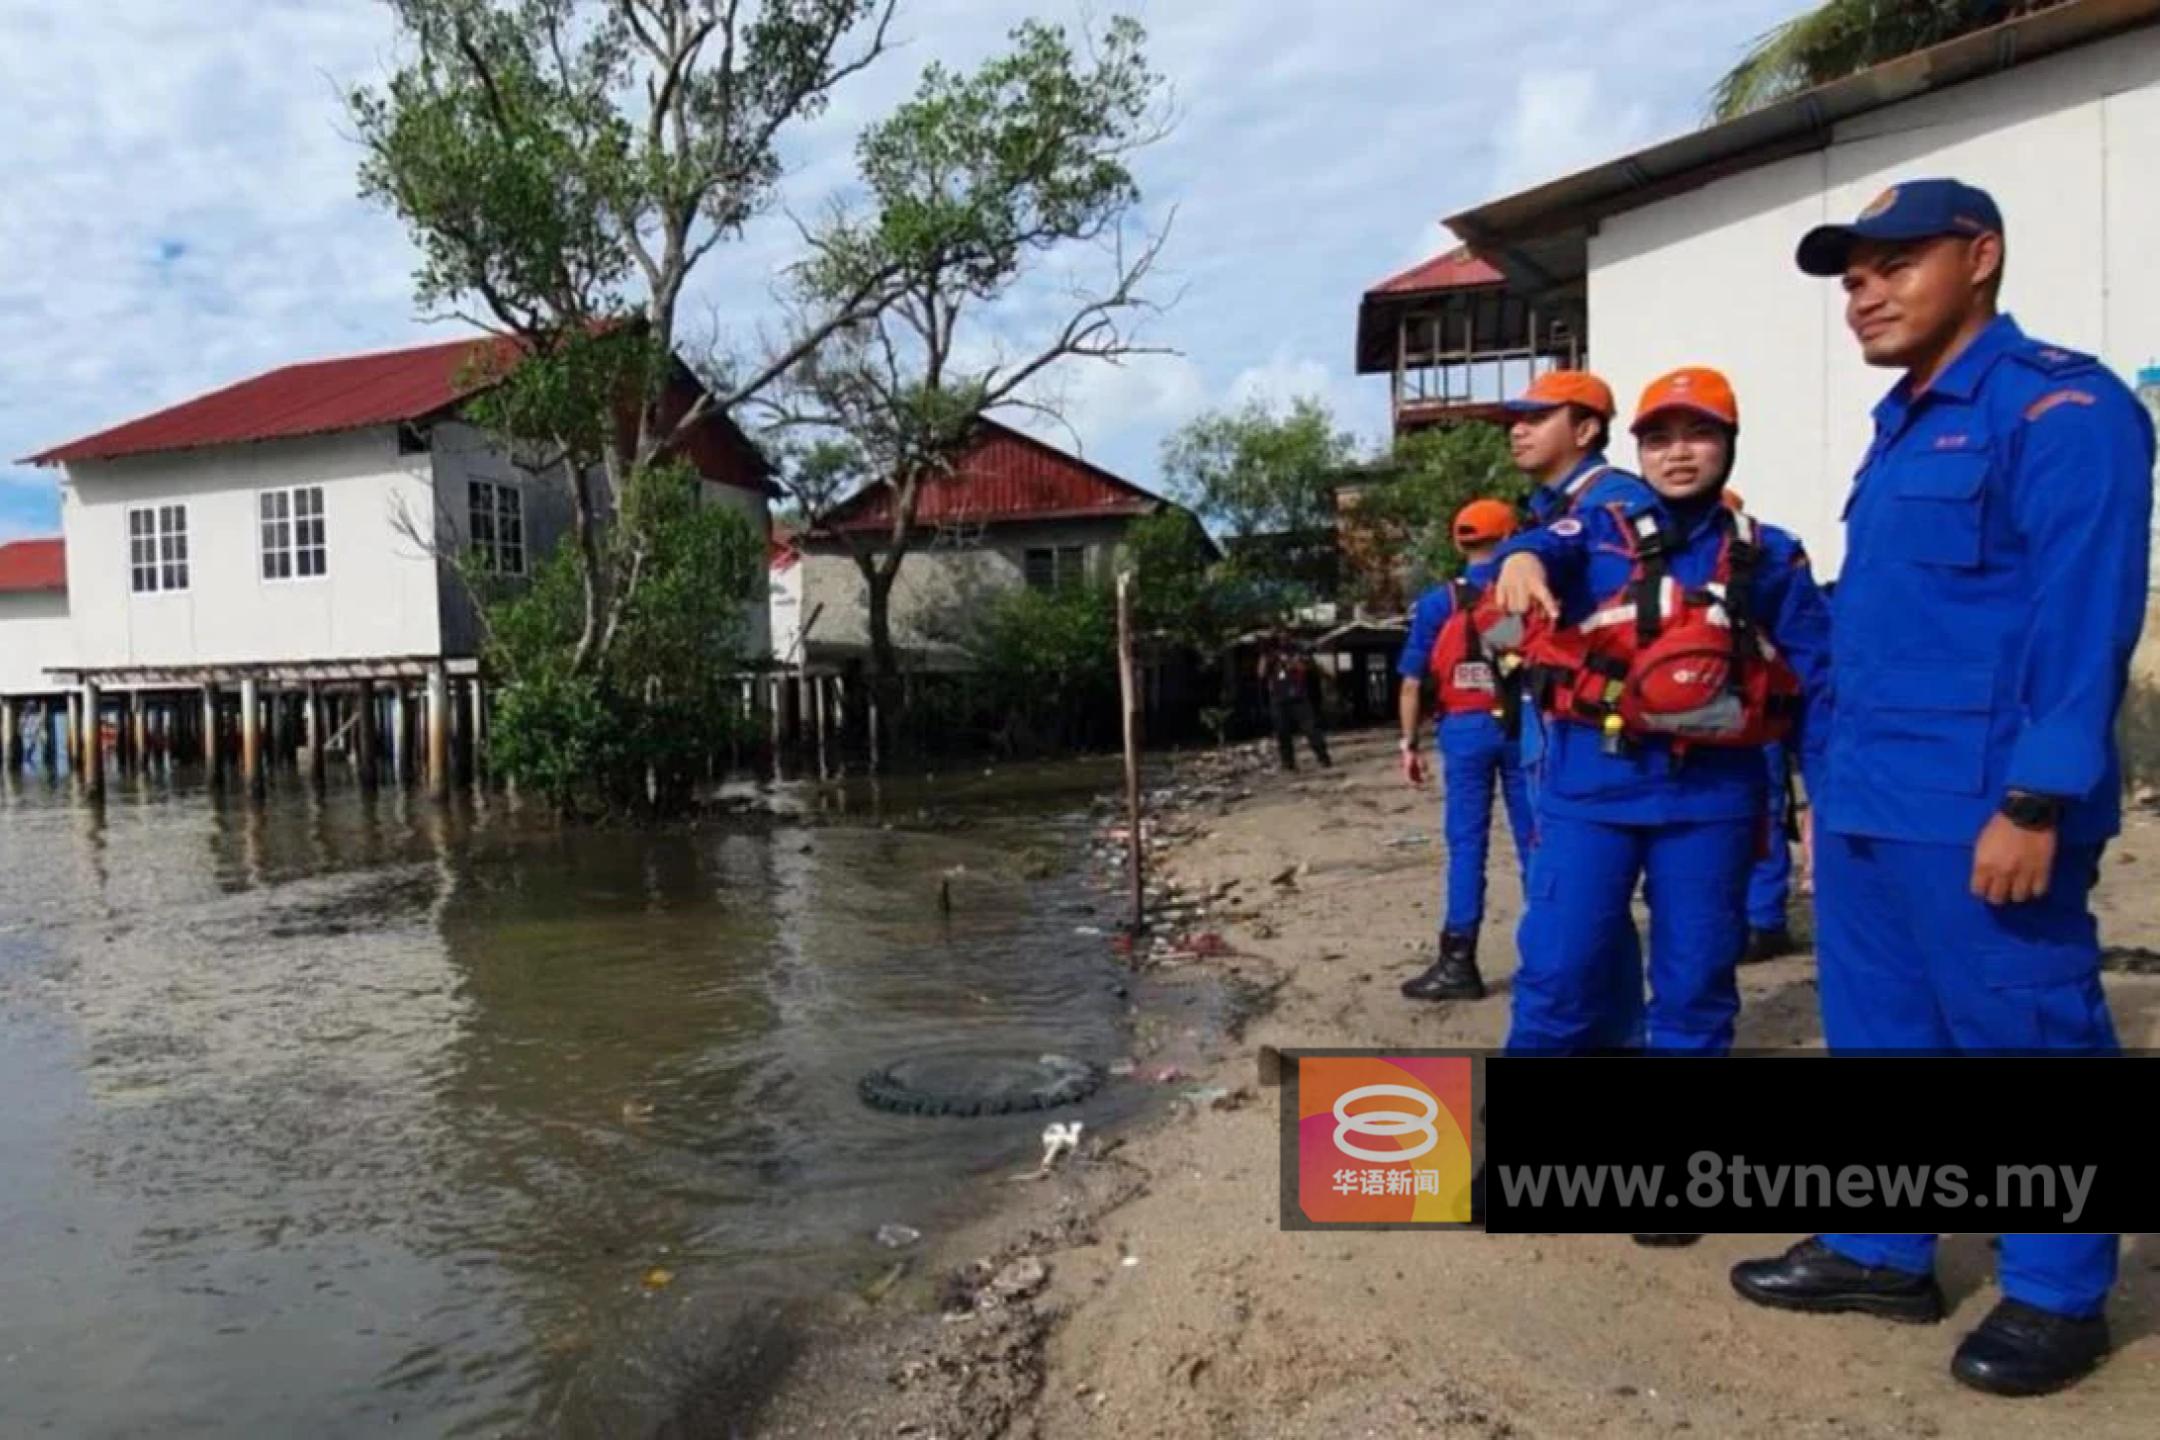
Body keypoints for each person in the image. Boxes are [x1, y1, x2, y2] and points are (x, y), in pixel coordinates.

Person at [1730, 180, 2155, 1397]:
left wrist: (2037, 801)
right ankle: (1882, 1246)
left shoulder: (2062, 409)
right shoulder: (1904, 424)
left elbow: (2085, 622)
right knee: (1881, 1040)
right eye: (1851, 272)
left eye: (1894, 262)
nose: (1864, 289)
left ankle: (2058, 1291)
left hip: (1983, 805)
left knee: (2024, 1040)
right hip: (1872, 797)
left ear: (1982, 257)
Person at [1489, 366, 1833, 1065]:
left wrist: (1820, 808)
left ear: (1729, 444)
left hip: (1713, 802)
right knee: (1558, 974)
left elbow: (1818, 687)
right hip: (1593, 793)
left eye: (1699, 435)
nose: (1678, 453)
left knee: (1696, 990)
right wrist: (1520, 555)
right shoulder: (1597, 529)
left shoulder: (1770, 556)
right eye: (1660, 439)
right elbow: (1547, 542)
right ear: (1637, 452)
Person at [1396, 499, 1536, 1001]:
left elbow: (1413, 682)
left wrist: (1409, 744)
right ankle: (1549, 956)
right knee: (1534, 840)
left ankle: (1459, 962)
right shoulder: (1522, 593)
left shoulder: (1438, 603)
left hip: (1463, 730)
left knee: (1466, 845)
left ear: (1459, 542)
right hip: (1522, 726)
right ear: (1512, 536)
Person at [1720, 491, 1799, 963]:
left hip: (1748, 707)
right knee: (1757, 815)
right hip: (1743, 707)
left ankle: (1765, 919)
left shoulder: (1756, 564)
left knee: (1761, 815)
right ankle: (1758, 917)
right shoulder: (1760, 561)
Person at [1258, 629, 1331, 770]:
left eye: (1286, 637)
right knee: (1282, 732)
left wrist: (1291, 661)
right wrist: (1266, 655)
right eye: (1280, 638)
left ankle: (1323, 757)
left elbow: (1305, 668)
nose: (1283, 640)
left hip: (1298, 696)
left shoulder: (1299, 651)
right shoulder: (1270, 655)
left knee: (1311, 729)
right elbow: (1261, 674)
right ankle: (1288, 763)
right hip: (1279, 697)